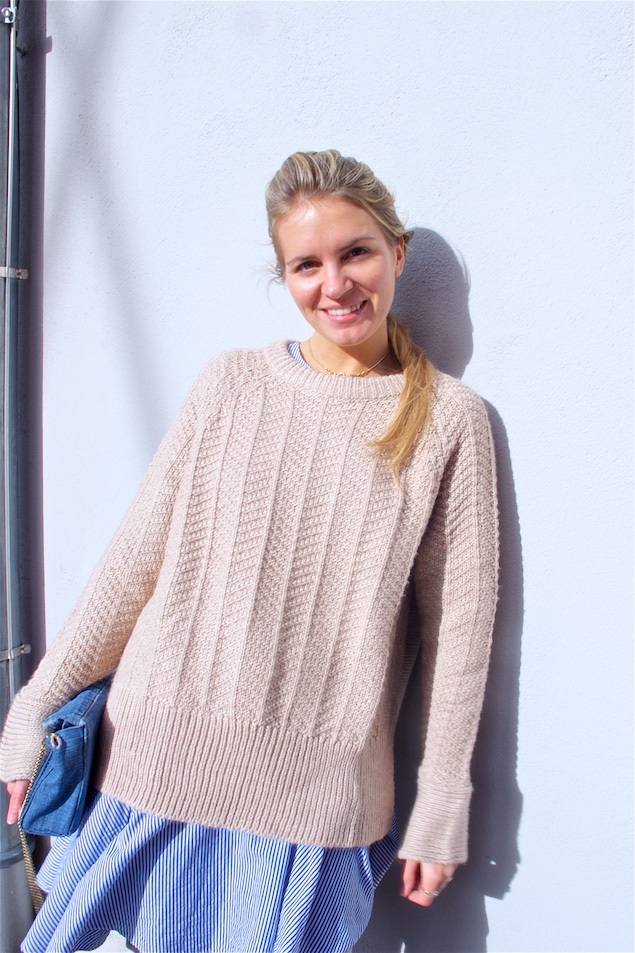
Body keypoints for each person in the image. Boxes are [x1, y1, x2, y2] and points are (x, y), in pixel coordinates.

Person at [0, 149, 499, 953]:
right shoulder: (230, 384)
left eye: (355, 252)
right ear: (284, 275)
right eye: (307, 264)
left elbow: (460, 635)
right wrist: (33, 706)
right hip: (155, 765)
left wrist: (441, 804)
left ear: (396, 252)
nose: (334, 284)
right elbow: (133, 564)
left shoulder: (449, 420)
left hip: (314, 802)